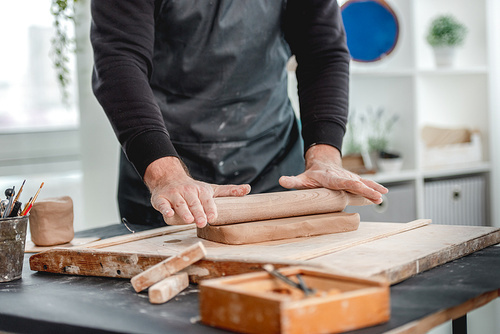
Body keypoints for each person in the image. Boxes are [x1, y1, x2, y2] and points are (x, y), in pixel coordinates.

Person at [90, 0, 388, 229]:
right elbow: (119, 60)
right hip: (165, 169)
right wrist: (165, 175)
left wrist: (324, 156)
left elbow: (322, 53)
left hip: (273, 167)